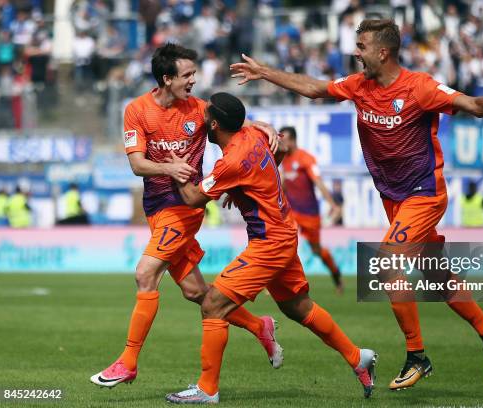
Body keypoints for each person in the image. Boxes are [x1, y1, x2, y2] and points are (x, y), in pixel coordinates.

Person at [231, 19, 483, 390]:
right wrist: (265, 72)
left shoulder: (420, 87)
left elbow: (470, 103)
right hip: (393, 198)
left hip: (424, 194)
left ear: (382, 52)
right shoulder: (359, 86)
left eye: (361, 47)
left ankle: (417, 356)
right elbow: (313, 89)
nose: (355, 53)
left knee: (389, 265)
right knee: (436, 275)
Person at [91, 44, 282, 389]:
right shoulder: (137, 110)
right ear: (167, 78)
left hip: (184, 209)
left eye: (195, 73)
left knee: (145, 274)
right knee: (197, 293)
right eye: (187, 75)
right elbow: (137, 165)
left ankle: (128, 361)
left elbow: (232, 121)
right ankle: (259, 326)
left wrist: (258, 124)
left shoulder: (198, 109)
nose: (194, 80)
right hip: (156, 208)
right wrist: (169, 166)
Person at [165, 93, 377, 404]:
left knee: (212, 304)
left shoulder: (232, 159)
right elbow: (272, 155)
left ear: (214, 124)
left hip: (269, 244)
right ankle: (358, 357)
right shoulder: (255, 133)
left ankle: (207, 389)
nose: (200, 122)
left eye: (204, 118)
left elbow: (194, 198)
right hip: (284, 232)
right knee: (297, 307)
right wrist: (242, 186)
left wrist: (175, 171)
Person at [279, 126, 344, 293]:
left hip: (310, 213)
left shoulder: (306, 159)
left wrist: (333, 204)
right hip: (292, 212)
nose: (281, 142)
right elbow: (284, 185)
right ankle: (277, 281)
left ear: (292, 140)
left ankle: (335, 274)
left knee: (316, 250)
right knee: (282, 242)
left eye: (284, 139)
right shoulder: (283, 160)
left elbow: (318, 182)